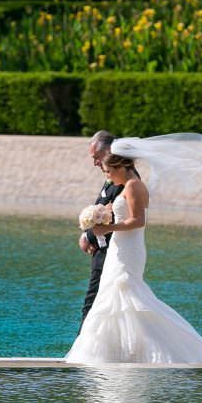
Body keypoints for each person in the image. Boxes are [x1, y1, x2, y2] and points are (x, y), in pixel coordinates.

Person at [66, 134, 202, 365]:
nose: (106, 175)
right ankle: (115, 351)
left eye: (108, 171)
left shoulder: (135, 185)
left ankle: (163, 349)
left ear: (119, 165)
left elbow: (139, 221)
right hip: (118, 247)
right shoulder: (123, 184)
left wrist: (106, 228)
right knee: (113, 296)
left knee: (127, 294)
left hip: (129, 248)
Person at [77, 130, 123, 334]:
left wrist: (88, 235)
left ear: (108, 153)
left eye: (97, 157)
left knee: (94, 301)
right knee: (100, 302)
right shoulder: (112, 176)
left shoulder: (124, 180)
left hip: (112, 251)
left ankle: (81, 348)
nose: (95, 162)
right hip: (102, 248)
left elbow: (111, 212)